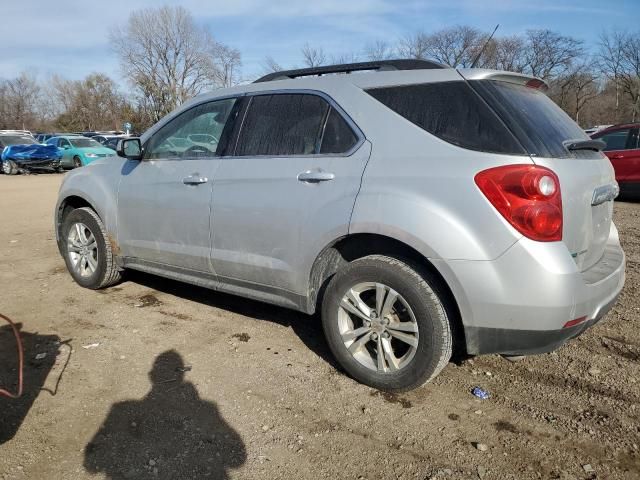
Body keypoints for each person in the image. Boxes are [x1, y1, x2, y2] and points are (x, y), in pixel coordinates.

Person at [84, 350, 246, 479]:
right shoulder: (208, 408)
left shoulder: (120, 409)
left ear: (151, 376)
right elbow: (237, 459)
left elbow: (91, 464)